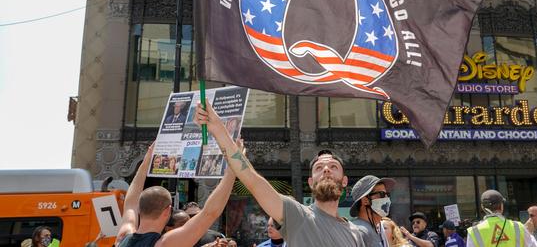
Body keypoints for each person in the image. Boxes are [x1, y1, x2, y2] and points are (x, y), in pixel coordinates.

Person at [195, 103, 365, 246]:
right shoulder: (297, 216)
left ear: (344, 181)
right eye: (319, 167)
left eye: (333, 166)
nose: (326, 169)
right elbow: (252, 180)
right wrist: (218, 129)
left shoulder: (356, 234)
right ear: (311, 182)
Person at [115, 142, 236, 247]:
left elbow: (130, 203)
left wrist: (146, 162)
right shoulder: (166, 243)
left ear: (139, 210)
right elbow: (209, 213)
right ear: (168, 211)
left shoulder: (123, 237)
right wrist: (233, 167)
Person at [466, 190, 537, 247]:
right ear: (502, 206)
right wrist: (530, 233)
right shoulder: (518, 227)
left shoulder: (474, 232)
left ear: (482, 207)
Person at [350, 175, 396, 247]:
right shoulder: (358, 232)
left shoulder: (378, 230)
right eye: (382, 194)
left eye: (387, 194)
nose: (387, 198)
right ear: (365, 200)